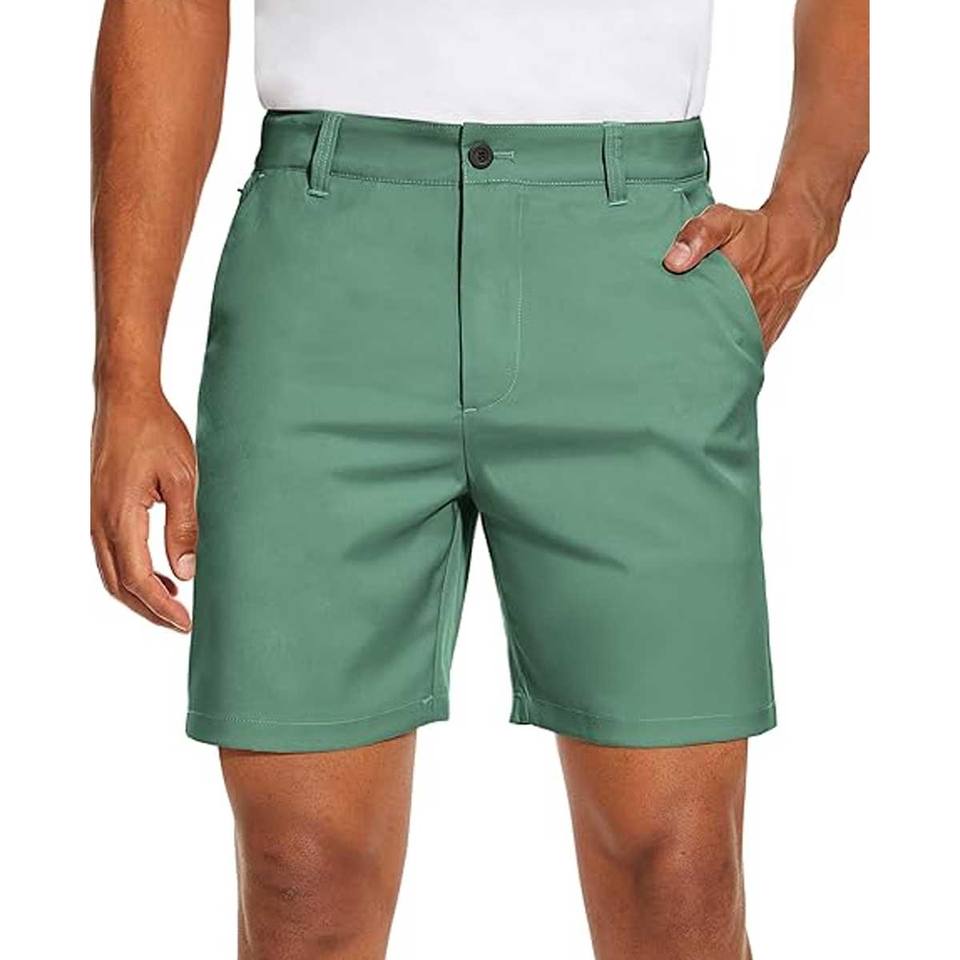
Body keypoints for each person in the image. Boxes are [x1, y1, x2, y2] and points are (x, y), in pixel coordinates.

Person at [89, 1, 868, 957]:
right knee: (301, 878)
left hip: (636, 261)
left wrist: (811, 204)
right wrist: (125, 377)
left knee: (679, 877)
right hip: (324, 275)